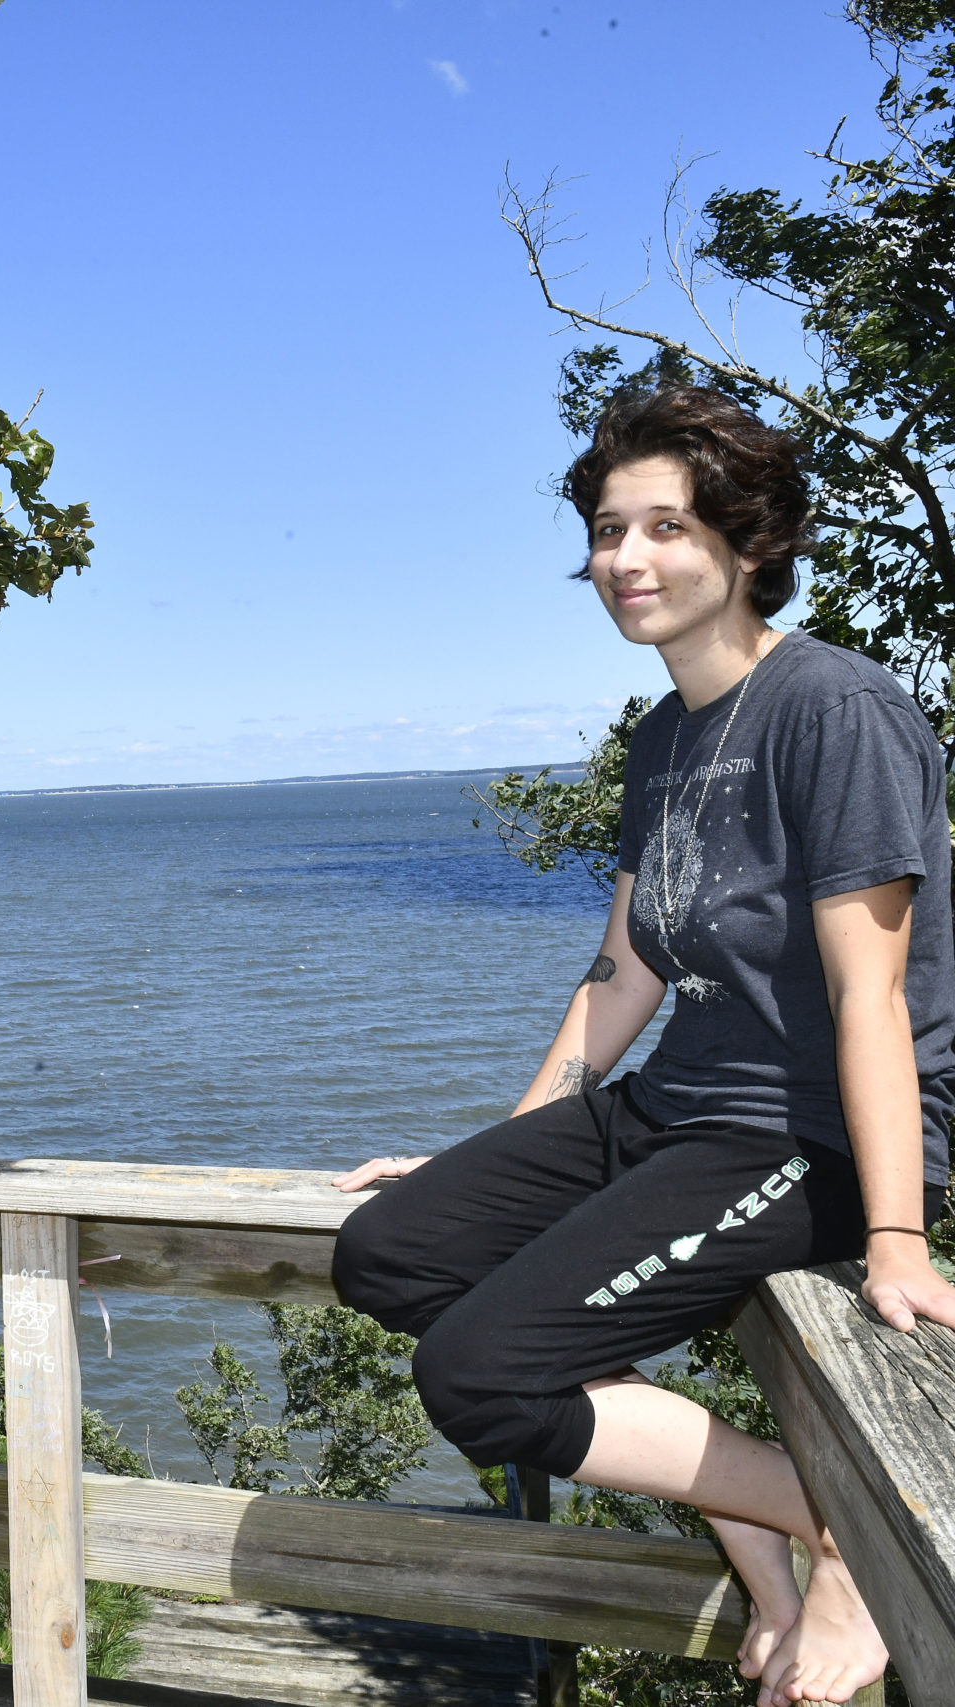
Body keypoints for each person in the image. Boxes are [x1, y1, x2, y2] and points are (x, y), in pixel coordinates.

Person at [330, 385, 955, 1707]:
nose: (628, 559)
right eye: (610, 530)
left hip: (804, 1132)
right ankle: (787, 1524)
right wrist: (504, 1146)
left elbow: (874, 998)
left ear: (745, 537)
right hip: (678, 1104)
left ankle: (843, 1516)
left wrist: (896, 1234)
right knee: (393, 1250)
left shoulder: (836, 708)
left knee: (482, 1373)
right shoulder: (664, 734)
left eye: (665, 525)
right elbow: (626, 965)